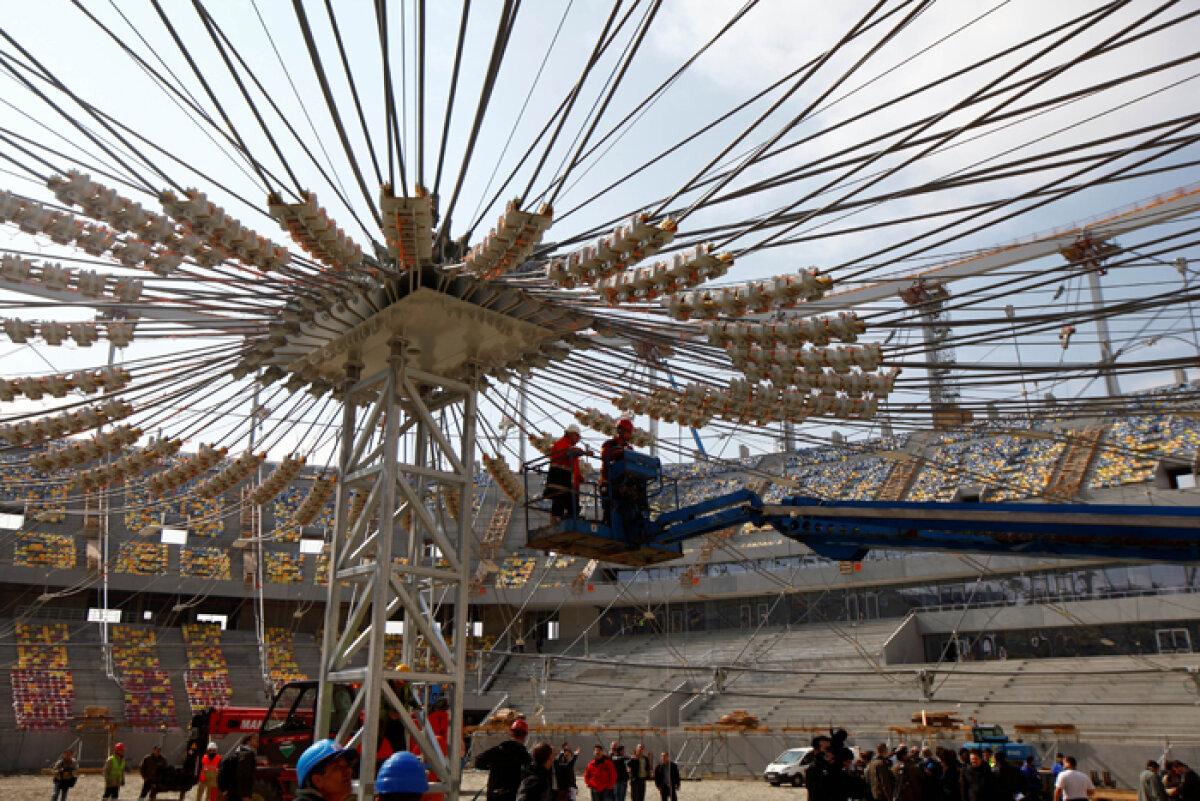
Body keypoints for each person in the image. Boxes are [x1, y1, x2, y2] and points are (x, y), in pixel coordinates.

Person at [475, 719, 533, 801]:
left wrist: (493, 767)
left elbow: (478, 762)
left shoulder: (498, 750)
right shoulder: (525, 756)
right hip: (512, 795)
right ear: (525, 735)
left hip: (494, 794)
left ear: (511, 733)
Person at [547, 424, 588, 520]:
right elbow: (567, 451)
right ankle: (556, 522)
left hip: (566, 482)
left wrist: (580, 478)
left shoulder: (567, 446)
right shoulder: (562, 443)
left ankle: (570, 519)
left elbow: (574, 469)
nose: (578, 439)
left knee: (573, 506)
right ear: (572, 434)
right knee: (559, 502)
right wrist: (583, 452)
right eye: (578, 436)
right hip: (559, 480)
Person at [224, 734, 260, 801]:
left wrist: (224, 788)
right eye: (254, 738)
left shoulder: (238, 753)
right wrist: (244, 795)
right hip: (240, 795)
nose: (257, 740)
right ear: (248, 742)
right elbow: (243, 775)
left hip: (233, 792)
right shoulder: (248, 755)